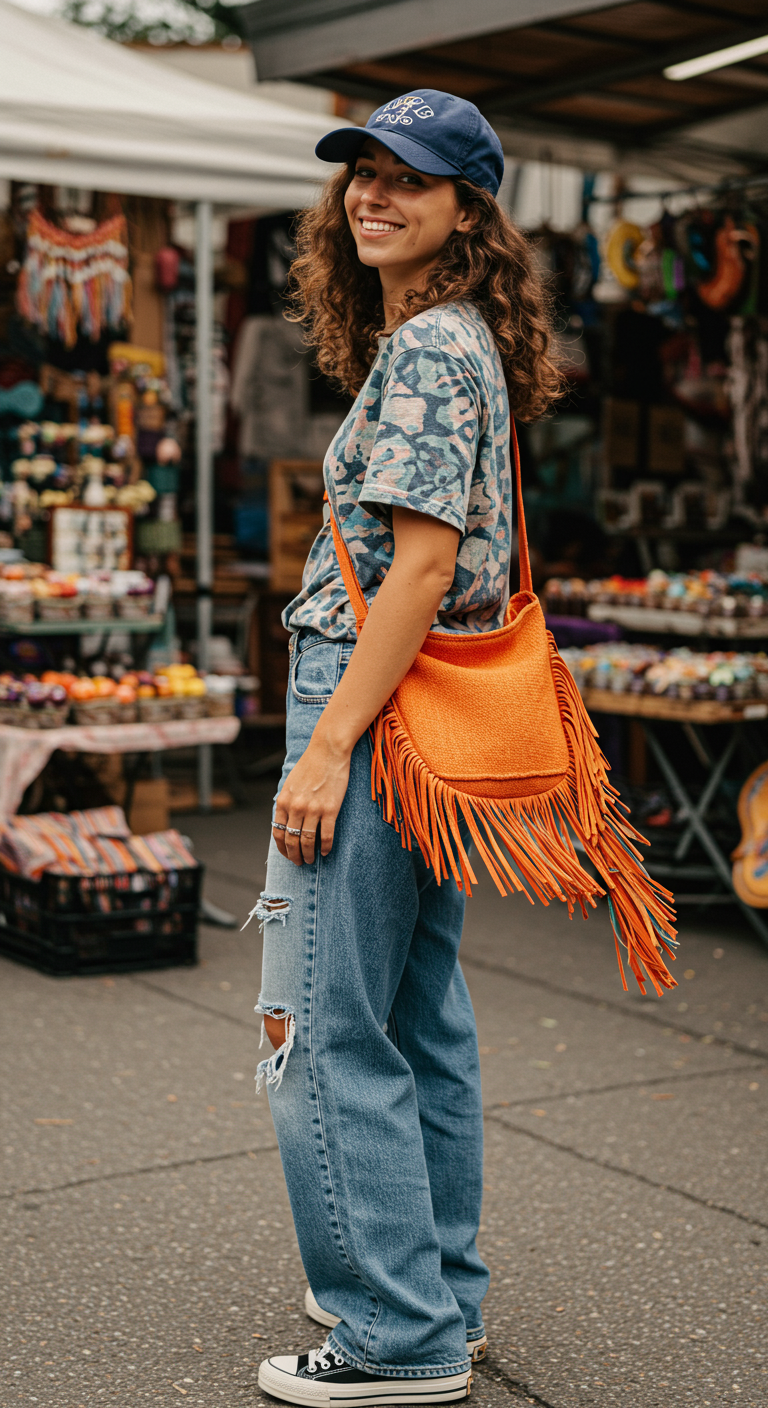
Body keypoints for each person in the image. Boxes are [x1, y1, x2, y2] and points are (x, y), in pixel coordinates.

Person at [251, 89, 562, 1407]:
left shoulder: (430, 351)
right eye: (361, 174)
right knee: (418, 1017)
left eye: (409, 179)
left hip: (369, 705)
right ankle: (438, 1295)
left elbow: (423, 567)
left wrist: (324, 749)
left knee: (319, 1030)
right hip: (422, 712)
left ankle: (396, 1336)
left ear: (466, 209)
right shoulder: (461, 340)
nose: (372, 195)